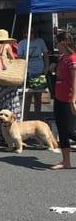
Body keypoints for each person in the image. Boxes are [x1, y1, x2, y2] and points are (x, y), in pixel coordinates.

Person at [0, 29, 21, 145]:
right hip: (8, 82)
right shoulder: (6, 46)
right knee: (11, 110)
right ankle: (12, 139)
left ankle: (0, 137)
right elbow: (13, 61)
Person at [50, 32, 76, 170]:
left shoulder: (72, 58)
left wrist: (73, 99)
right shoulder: (61, 57)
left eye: (58, 42)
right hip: (59, 96)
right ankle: (66, 161)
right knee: (62, 131)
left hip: (68, 98)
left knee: (70, 131)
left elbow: (75, 79)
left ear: (64, 42)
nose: (56, 45)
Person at [17, 27, 49, 119]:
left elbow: (46, 55)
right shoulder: (22, 43)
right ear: (24, 34)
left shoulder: (40, 41)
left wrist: (46, 68)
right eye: (27, 33)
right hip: (27, 72)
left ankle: (37, 118)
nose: (30, 34)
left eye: (31, 32)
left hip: (39, 71)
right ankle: (25, 119)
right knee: (27, 97)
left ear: (34, 33)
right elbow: (19, 58)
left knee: (38, 97)